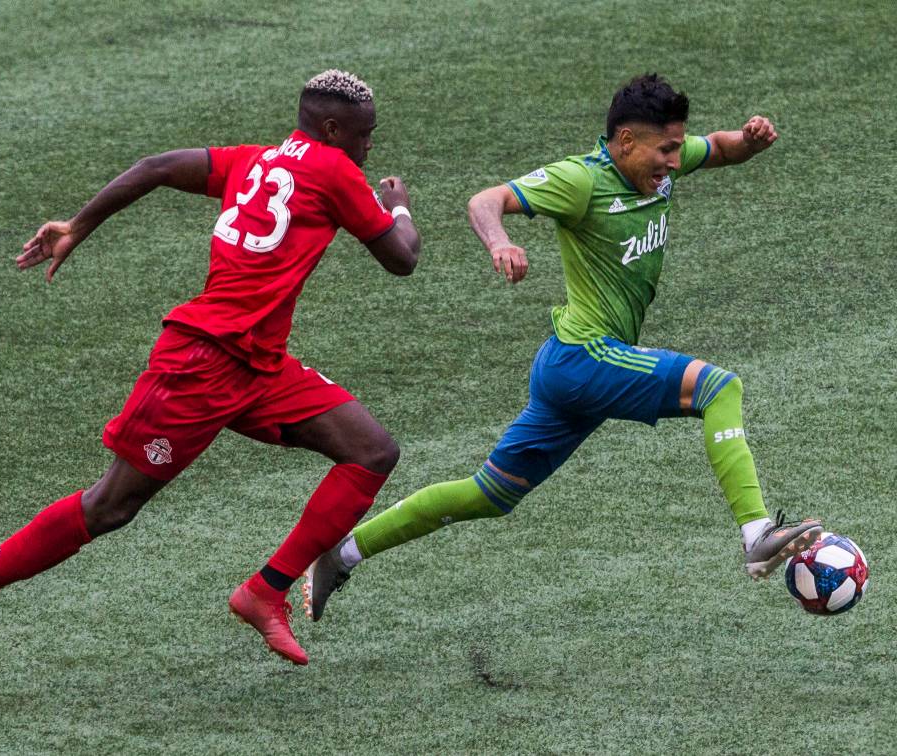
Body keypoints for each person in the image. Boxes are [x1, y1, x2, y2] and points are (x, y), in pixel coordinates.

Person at [0, 69, 421, 673]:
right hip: (202, 365)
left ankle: (265, 590)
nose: (369, 148)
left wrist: (78, 225)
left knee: (371, 452)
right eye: (365, 136)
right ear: (333, 128)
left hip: (258, 364)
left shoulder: (251, 161)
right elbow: (402, 257)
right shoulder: (336, 170)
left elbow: (155, 166)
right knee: (110, 506)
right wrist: (398, 206)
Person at [304, 73, 821, 623]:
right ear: (626, 141)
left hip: (571, 369)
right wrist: (500, 242)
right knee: (720, 387)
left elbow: (716, 148)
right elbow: (486, 201)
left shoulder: (656, 168)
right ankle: (756, 533)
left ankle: (339, 555)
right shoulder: (580, 180)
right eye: (665, 150)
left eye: (676, 148)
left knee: (488, 495)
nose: (673, 162)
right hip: (585, 358)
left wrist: (749, 141)